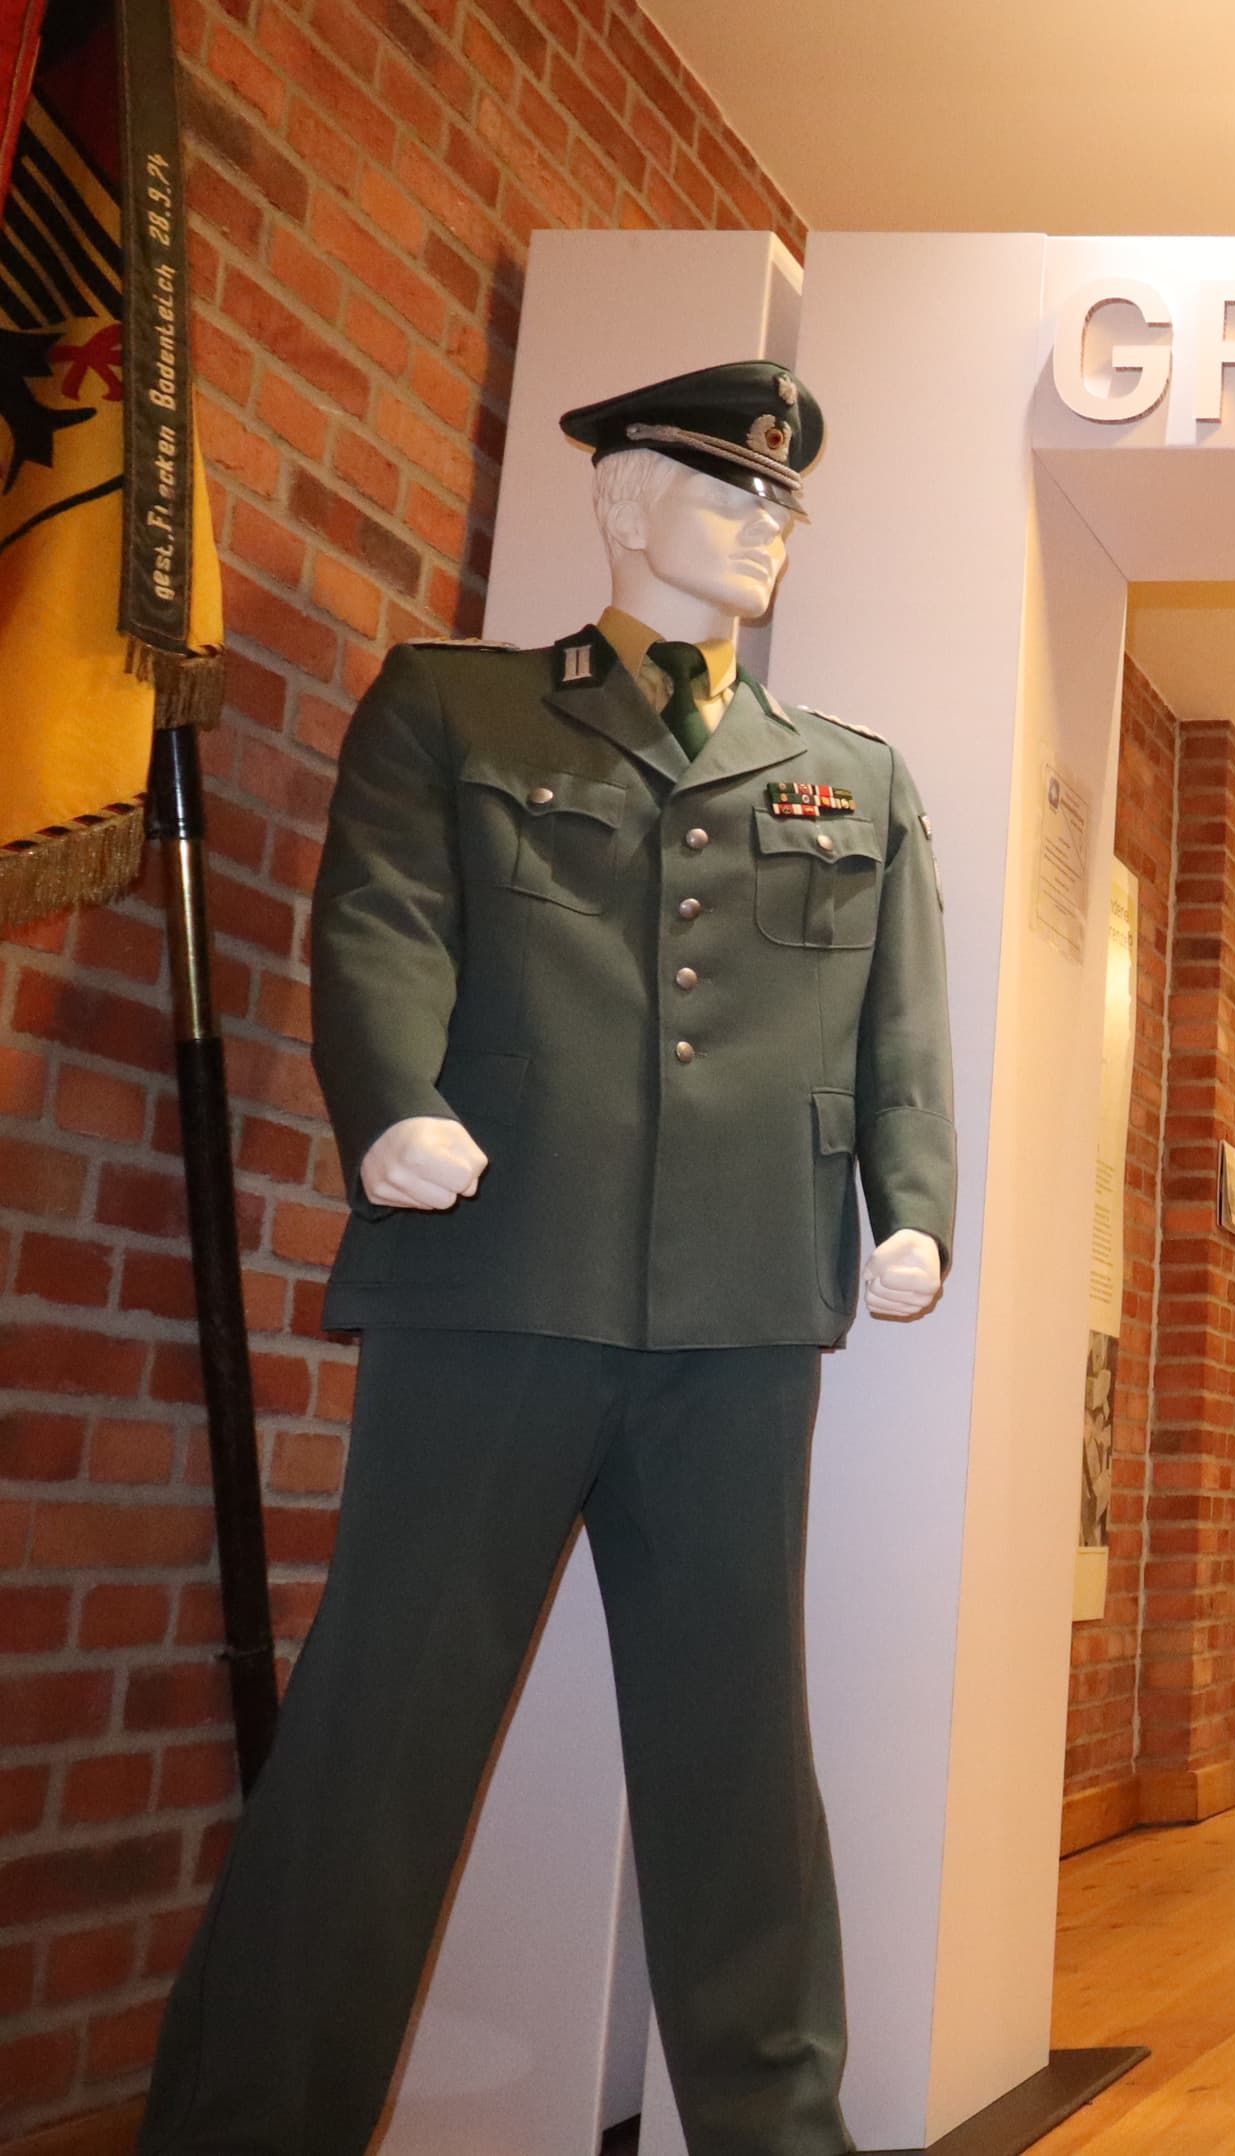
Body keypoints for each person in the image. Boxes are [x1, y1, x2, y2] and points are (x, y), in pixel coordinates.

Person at [140, 362, 958, 2156]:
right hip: (495, 1284)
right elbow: (382, 921)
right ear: (619, 496)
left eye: (779, 499)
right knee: (381, 1739)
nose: (762, 522)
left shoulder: (853, 780)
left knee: (738, 1754)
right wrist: (394, 1107)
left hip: (743, 1317)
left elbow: (899, 1033)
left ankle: (776, 2129)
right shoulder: (457, 709)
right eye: (725, 487)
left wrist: (914, 1206)